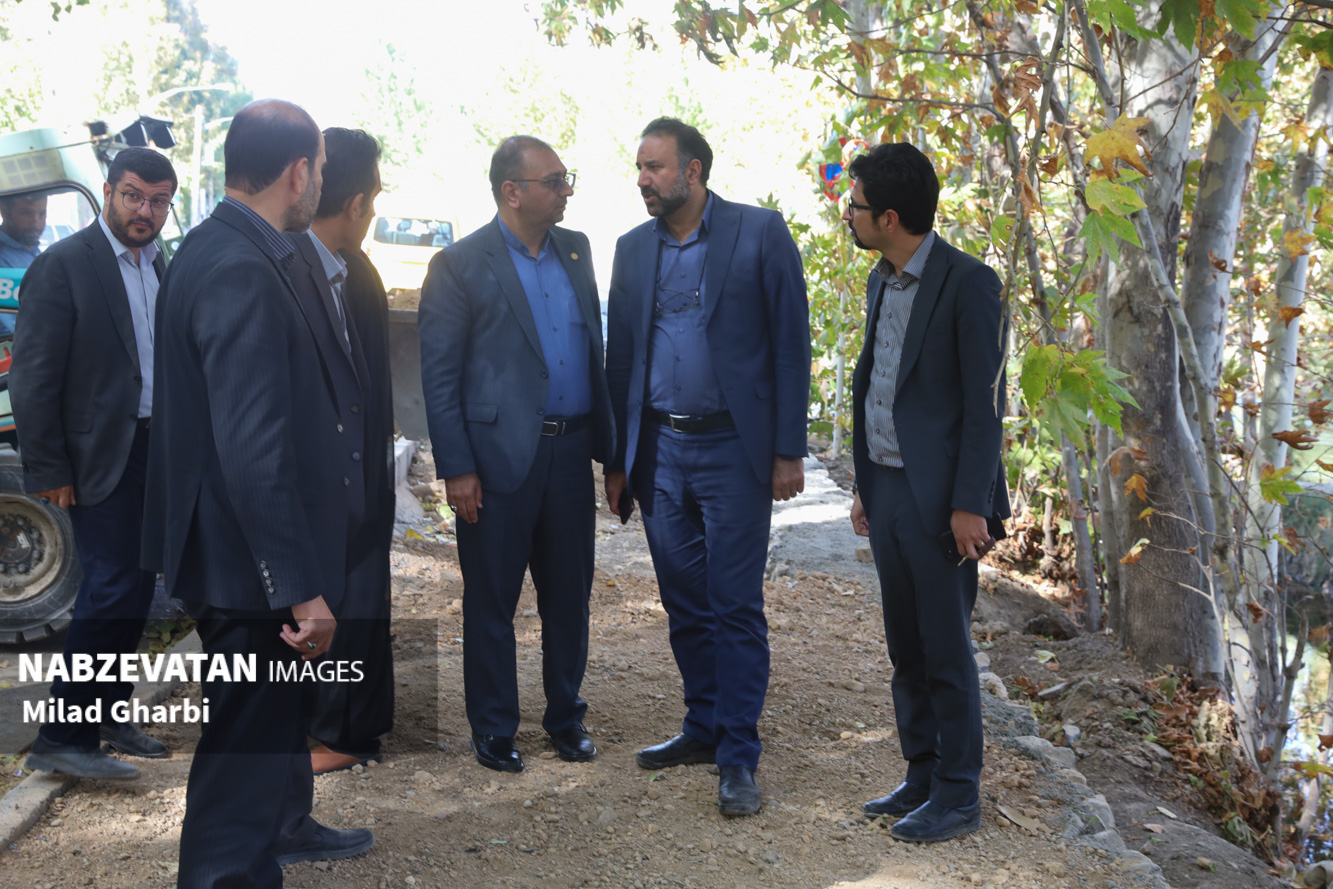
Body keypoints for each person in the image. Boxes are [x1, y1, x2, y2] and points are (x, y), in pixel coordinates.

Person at [140, 99, 373, 889]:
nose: (323, 184)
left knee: (262, 734)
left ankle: (268, 844)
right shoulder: (240, 267)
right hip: (248, 568)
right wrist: (298, 586)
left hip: (245, 557)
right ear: (298, 172)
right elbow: (252, 449)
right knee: (242, 750)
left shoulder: (229, 246)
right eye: (320, 169)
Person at [604, 117, 811, 817]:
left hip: (734, 450)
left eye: (654, 167)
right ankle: (702, 725)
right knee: (683, 600)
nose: (643, 179)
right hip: (660, 451)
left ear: (692, 171)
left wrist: (787, 449)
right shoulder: (633, 249)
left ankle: (738, 755)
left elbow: (791, 344)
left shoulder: (759, 233)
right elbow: (620, 358)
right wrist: (618, 460)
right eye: (639, 167)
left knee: (734, 603)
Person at [419, 135, 613, 773]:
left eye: (566, 178)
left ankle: (566, 718)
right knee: (492, 601)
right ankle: (495, 726)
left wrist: (611, 455)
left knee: (569, 598)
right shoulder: (459, 264)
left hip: (570, 454)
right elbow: (440, 378)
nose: (566, 190)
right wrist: (457, 468)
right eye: (554, 181)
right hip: (494, 464)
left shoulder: (576, 250)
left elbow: (595, 353)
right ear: (512, 192)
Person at [842, 142, 1009, 843]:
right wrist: (864, 483)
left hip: (941, 501)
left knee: (944, 649)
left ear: (888, 217)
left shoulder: (970, 284)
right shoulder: (881, 280)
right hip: (886, 489)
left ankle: (958, 795)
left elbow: (984, 406)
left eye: (853, 205)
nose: (846, 215)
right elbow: (879, 385)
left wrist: (970, 503)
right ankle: (921, 773)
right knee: (905, 646)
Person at [12, 149, 175, 779]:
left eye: (158, 201)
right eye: (133, 196)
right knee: (109, 586)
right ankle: (62, 737)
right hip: (96, 457)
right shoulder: (64, 265)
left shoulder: (160, 262)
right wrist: (49, 468)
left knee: (136, 586)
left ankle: (106, 712)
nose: (145, 211)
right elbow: (32, 378)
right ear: (107, 192)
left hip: (154, 448)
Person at [295, 127, 396, 775]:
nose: (373, 212)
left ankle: (349, 728)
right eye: (375, 200)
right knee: (325, 602)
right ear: (356, 202)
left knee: (357, 598)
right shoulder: (289, 269)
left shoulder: (356, 272)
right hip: (319, 478)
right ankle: (329, 726)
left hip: (357, 475)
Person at [0, 193, 48, 269]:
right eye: (27, 213)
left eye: (42, 214)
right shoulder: (3, 258)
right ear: (5, 212)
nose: (36, 224)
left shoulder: (31, 248)